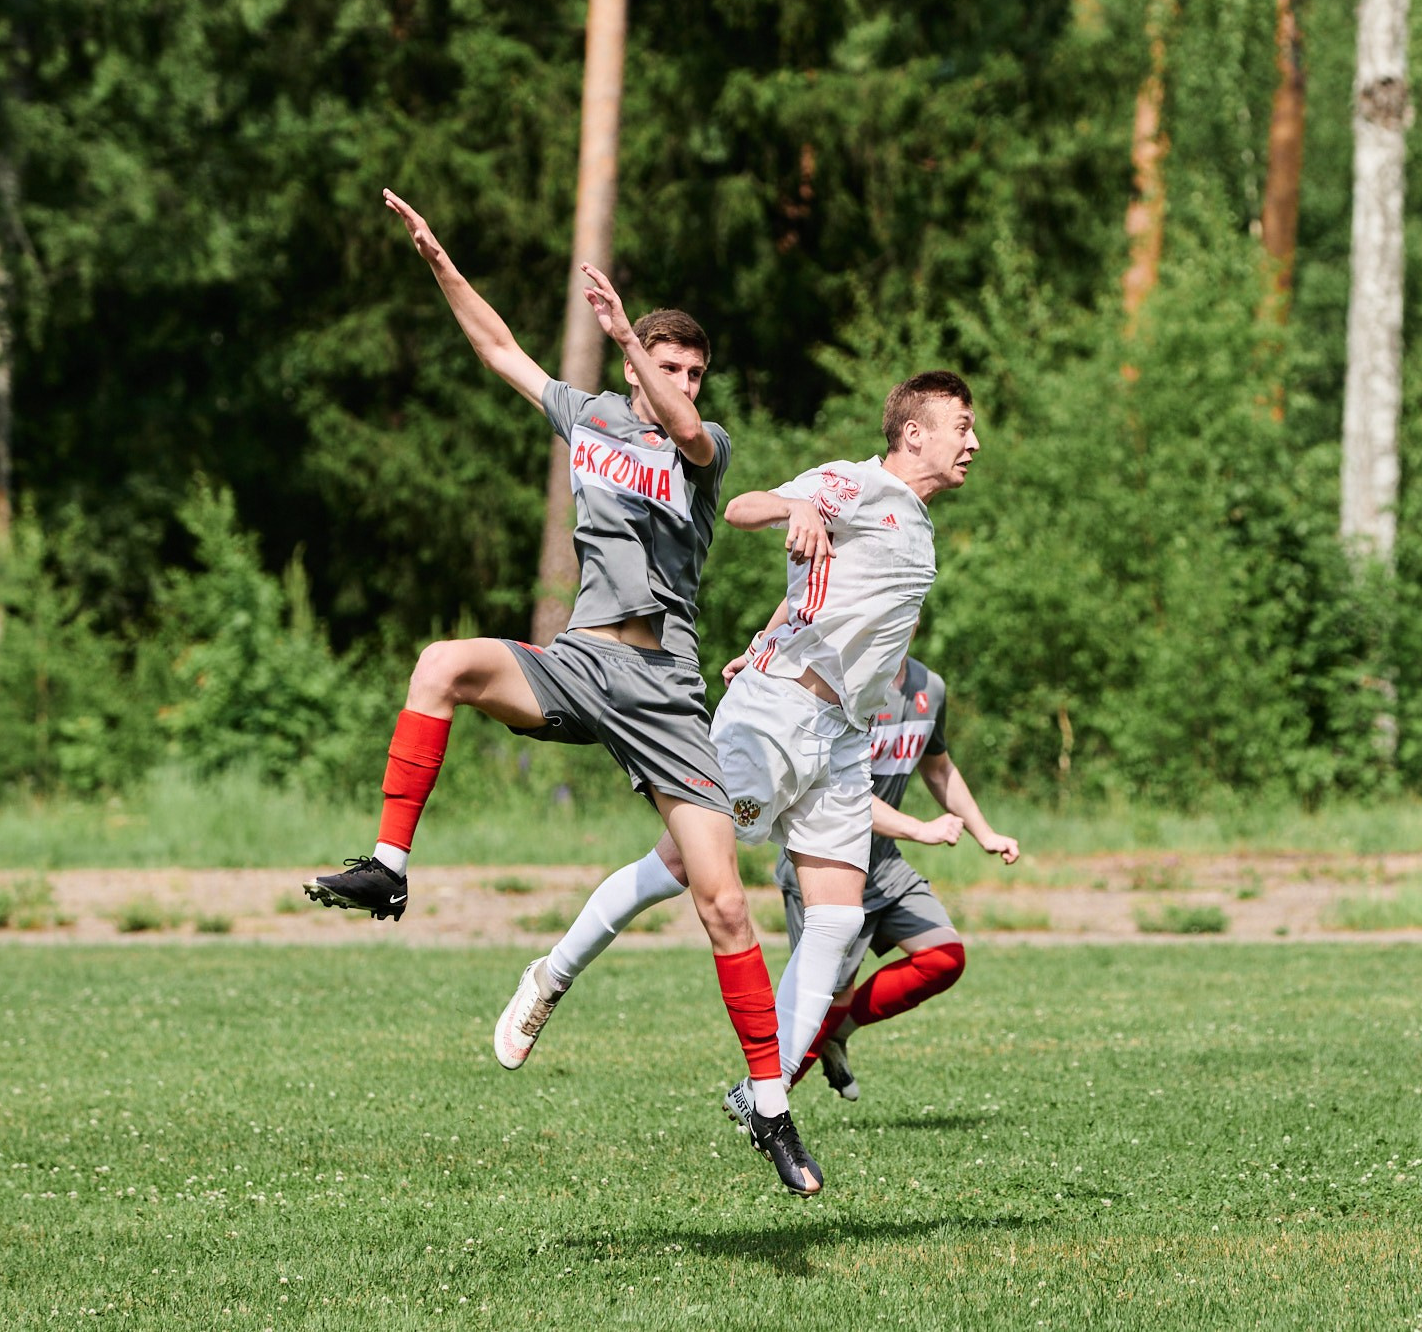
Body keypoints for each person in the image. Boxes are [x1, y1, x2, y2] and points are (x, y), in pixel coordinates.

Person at [310, 190, 809, 1194]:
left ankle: (769, 1105)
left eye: (695, 372)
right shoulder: (588, 418)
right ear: (631, 370)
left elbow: (694, 433)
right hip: (579, 664)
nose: (685, 383)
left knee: (721, 903)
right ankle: (391, 865)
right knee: (441, 663)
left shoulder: (701, 450)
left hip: (665, 695)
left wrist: (627, 330)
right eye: (669, 367)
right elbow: (498, 349)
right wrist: (437, 257)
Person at [498, 369, 979, 1198]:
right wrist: (796, 510)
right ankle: (552, 972)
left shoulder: (923, 527)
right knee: (680, 866)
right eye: (961, 426)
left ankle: (765, 1095)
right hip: (777, 716)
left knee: (835, 919)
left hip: (839, 740)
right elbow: (748, 502)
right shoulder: (856, 484)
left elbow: (836, 602)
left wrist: (774, 625)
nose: (973, 441)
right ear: (914, 434)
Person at [764, 652, 1017, 1101]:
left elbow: (937, 766)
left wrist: (984, 833)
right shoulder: (840, 684)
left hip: (884, 864)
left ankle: (837, 1032)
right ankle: (761, 1102)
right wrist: (921, 828)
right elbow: (841, 790)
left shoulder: (928, 687)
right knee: (817, 1008)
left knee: (943, 957)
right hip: (828, 862)